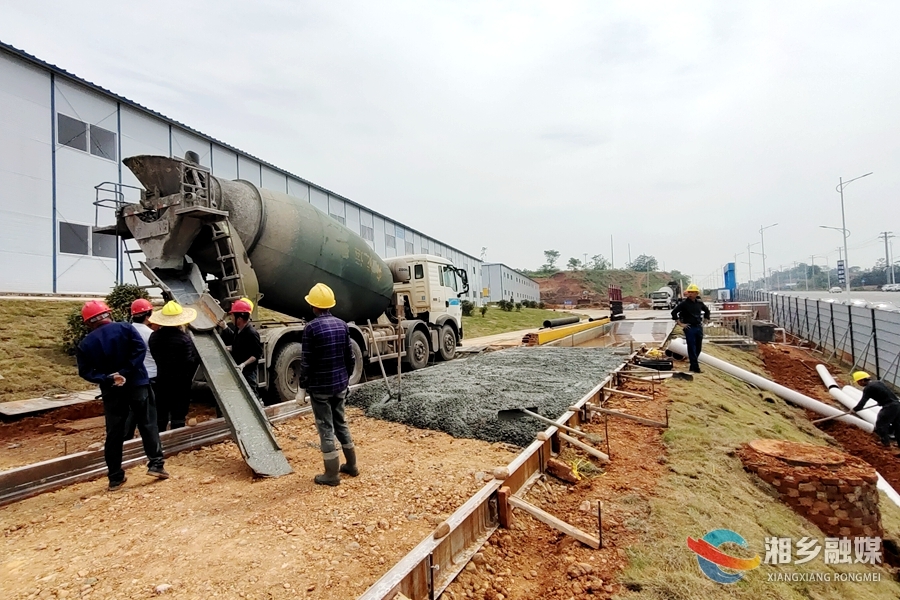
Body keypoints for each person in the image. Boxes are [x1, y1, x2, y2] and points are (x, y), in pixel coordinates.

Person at [75, 300, 168, 490]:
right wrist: (126, 372)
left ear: (88, 322)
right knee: (148, 423)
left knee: (115, 432)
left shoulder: (86, 343)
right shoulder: (125, 328)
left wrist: (109, 378)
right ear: (108, 314)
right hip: (137, 383)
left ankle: (115, 477)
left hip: (112, 391)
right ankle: (156, 464)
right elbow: (139, 350)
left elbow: (85, 371)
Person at [298, 283, 358, 486]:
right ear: (330, 304)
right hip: (340, 384)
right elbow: (349, 358)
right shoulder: (342, 325)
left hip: (320, 388)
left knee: (325, 426)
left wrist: (302, 388)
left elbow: (306, 362)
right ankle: (351, 465)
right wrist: (346, 379)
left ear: (314, 306)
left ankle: (331, 474)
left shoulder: (311, 328)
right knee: (341, 422)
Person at [149, 301, 199, 432]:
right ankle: (177, 440)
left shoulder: (154, 337)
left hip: (161, 379)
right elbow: (189, 362)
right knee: (178, 414)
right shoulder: (183, 339)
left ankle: (159, 440)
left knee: (161, 413)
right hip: (180, 382)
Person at [123, 298, 158, 439]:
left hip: (132, 376)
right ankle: (150, 440)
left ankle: (126, 437)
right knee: (149, 412)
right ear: (148, 315)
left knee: (131, 409)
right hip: (151, 374)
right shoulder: (150, 334)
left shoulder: (126, 331)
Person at [219, 299, 263, 399]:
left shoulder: (251, 333)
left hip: (248, 372)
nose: (231, 318)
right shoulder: (238, 330)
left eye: (232, 315)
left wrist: (243, 364)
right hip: (239, 368)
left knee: (251, 395)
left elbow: (256, 355)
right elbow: (238, 344)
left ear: (239, 318)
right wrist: (230, 347)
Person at [849, 371, 900, 447]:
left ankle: (885, 443)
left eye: (858, 382)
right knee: (898, 426)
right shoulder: (878, 382)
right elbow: (886, 394)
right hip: (897, 404)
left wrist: (854, 410)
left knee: (881, 424)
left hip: (890, 406)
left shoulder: (868, 388)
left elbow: (862, 403)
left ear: (862, 380)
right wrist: (882, 401)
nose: (858, 384)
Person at [671, 284, 710, 374]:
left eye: (692, 292)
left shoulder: (699, 303)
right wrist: (680, 323)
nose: (690, 294)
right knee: (691, 347)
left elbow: (707, 311)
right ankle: (695, 368)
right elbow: (674, 312)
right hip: (689, 327)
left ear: (696, 293)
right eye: (689, 292)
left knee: (698, 348)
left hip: (698, 327)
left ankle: (693, 366)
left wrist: (706, 319)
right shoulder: (684, 304)